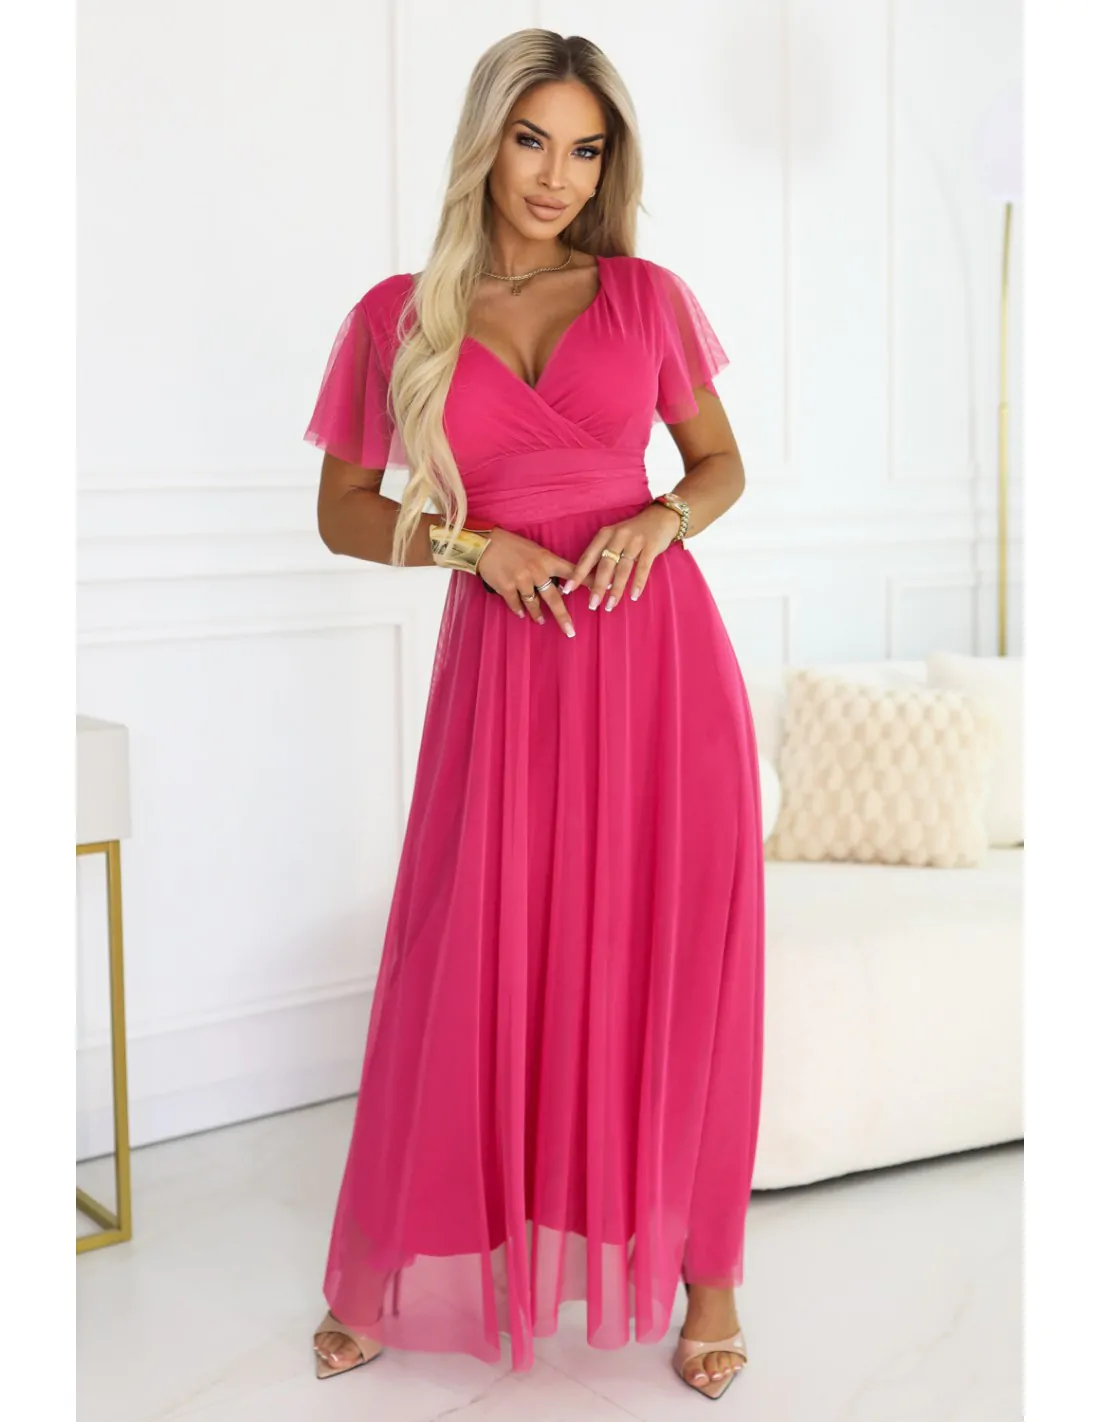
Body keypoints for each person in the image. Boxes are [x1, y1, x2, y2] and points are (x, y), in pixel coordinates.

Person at [303, 28, 765, 1404]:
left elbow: (721, 463)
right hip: (506, 678)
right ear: (486, 142)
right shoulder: (399, 315)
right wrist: (469, 543)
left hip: (660, 669)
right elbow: (342, 512)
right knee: (466, 952)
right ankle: (386, 1266)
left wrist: (662, 516)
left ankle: (711, 1279)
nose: (558, 176)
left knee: (675, 964)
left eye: (586, 149)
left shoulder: (646, 296)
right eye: (532, 141)